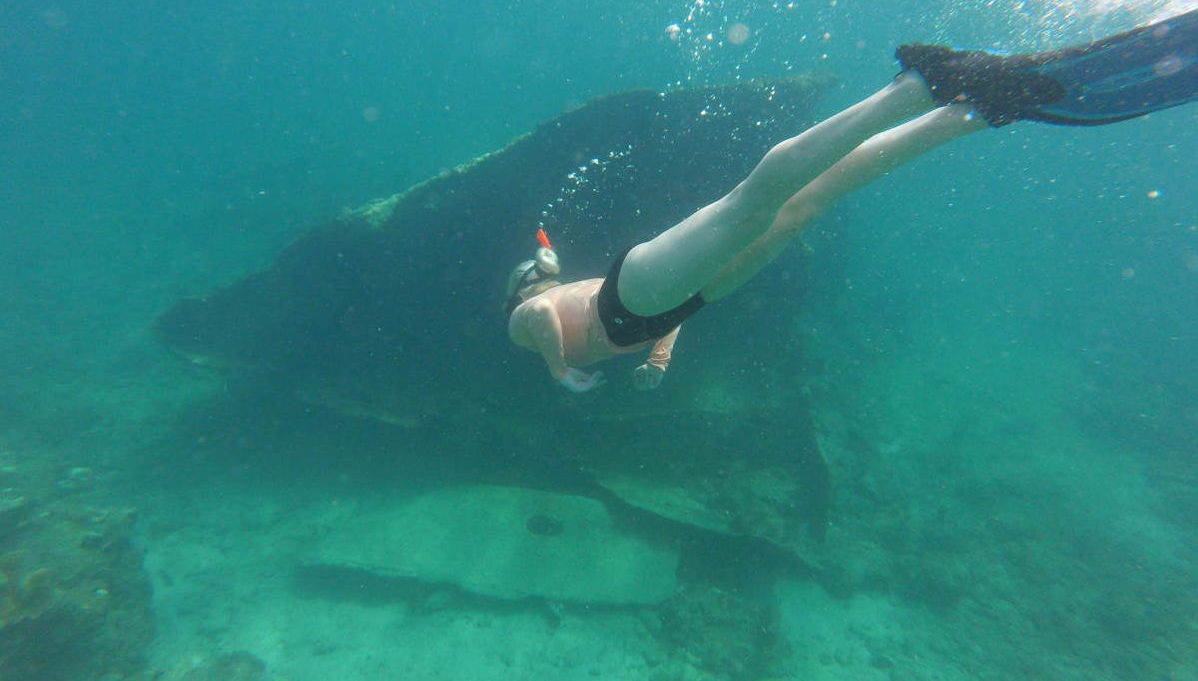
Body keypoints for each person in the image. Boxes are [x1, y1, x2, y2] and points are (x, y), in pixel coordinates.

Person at [507, 10, 1198, 393]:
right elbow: (659, 312)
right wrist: (659, 359)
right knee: (807, 206)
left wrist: (560, 369)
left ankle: (919, 86)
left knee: (757, 200)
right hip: (676, 303)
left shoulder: (530, 317)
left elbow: (538, 315)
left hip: (632, 295)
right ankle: (975, 111)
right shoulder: (566, 296)